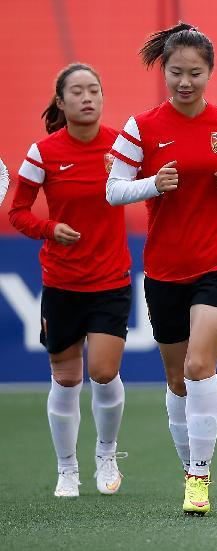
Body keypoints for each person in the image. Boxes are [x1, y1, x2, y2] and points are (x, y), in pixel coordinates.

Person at [106, 22, 217, 515]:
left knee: (200, 364)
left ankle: (199, 476)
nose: (185, 82)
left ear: (209, 73)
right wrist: (152, 183)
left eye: (195, 73)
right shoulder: (142, 128)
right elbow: (114, 189)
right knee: (177, 379)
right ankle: (188, 465)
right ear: (164, 72)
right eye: (176, 72)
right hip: (165, 268)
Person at [9, 63, 129, 497]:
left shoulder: (122, 147)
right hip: (61, 282)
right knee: (64, 377)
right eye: (76, 92)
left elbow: (157, 185)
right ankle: (66, 469)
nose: (86, 97)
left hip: (111, 279)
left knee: (103, 370)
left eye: (93, 89)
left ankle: (106, 454)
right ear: (61, 102)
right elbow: (18, 212)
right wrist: (48, 229)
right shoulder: (43, 153)